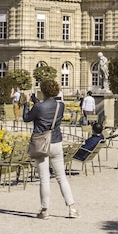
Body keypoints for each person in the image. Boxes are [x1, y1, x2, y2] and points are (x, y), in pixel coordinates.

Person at [23, 79, 79, 220]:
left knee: (44, 178)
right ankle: (72, 208)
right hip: (56, 142)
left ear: (43, 91)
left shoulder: (39, 107)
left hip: (41, 144)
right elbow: (47, 111)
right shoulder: (61, 105)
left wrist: (26, 102)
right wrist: (36, 102)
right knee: (61, 177)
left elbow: (26, 118)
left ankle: (45, 210)